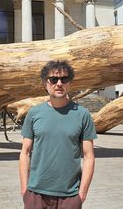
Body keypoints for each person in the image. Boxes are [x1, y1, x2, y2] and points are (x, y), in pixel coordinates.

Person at [19, 60, 97, 209]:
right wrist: (25, 190)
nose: (59, 83)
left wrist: (82, 194)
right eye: (54, 79)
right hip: (36, 194)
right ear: (45, 83)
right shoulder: (34, 114)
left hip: (70, 196)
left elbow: (89, 157)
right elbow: (25, 152)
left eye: (64, 79)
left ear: (70, 83)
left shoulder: (82, 115)